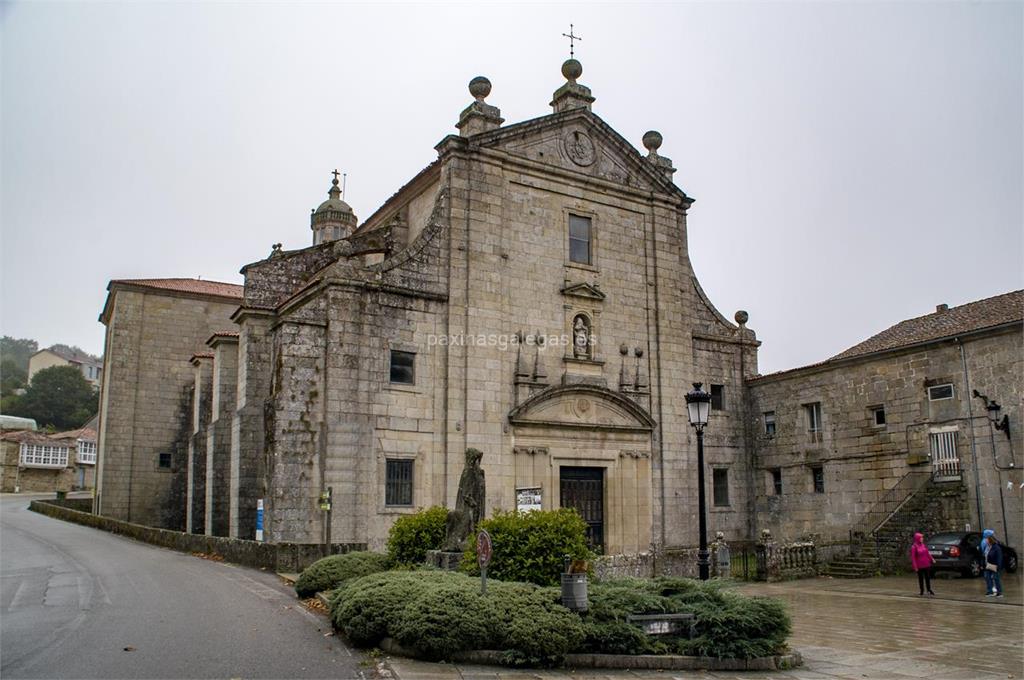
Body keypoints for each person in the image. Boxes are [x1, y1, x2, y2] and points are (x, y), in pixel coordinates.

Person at [909, 532, 936, 596]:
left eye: (922, 537)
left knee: (927, 578)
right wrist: (915, 567)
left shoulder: (923, 545)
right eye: (921, 538)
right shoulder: (914, 547)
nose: (922, 539)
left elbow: (927, 553)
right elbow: (913, 558)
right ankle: (922, 590)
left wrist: (932, 559)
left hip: (926, 564)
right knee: (921, 578)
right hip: (919, 565)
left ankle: (929, 589)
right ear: (917, 538)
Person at [982, 529, 1004, 598]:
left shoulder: (996, 547)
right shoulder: (988, 547)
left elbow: (999, 557)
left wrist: (998, 566)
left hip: (994, 565)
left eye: (987, 539)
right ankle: (990, 591)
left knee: (996, 578)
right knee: (987, 578)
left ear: (990, 539)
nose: (986, 541)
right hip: (988, 565)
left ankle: (999, 592)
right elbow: (985, 555)